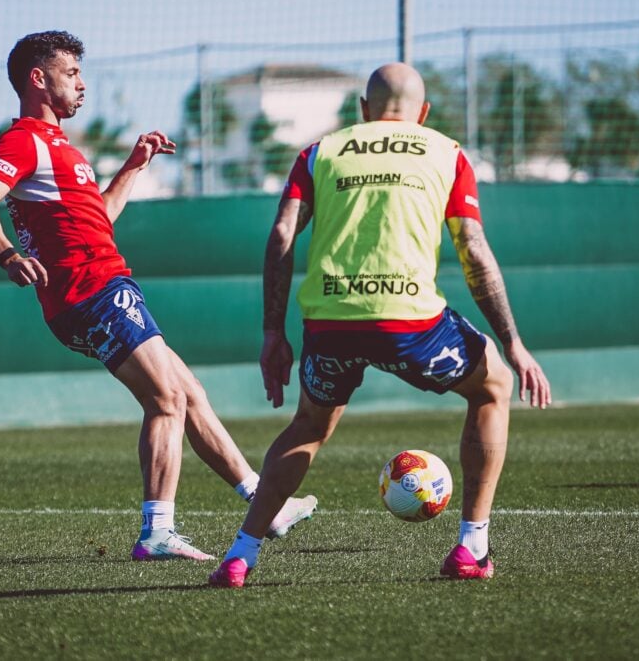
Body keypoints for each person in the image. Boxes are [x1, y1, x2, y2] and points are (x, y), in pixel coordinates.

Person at [0, 31, 316, 562]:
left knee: (187, 392)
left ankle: (265, 501)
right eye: (71, 73)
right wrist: (9, 255)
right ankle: (156, 532)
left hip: (99, 287)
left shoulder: (61, 148)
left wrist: (134, 166)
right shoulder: (24, 140)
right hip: (92, 290)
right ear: (38, 78)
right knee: (166, 400)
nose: (82, 84)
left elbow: (96, 219)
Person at [208, 62, 552, 587]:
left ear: (363, 111)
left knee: (308, 427)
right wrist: (514, 343)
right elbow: (474, 253)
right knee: (493, 386)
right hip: (410, 322)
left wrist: (273, 332)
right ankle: (471, 548)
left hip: (329, 321)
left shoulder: (320, 152)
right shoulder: (446, 152)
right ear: (424, 112)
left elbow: (281, 237)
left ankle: (240, 555)